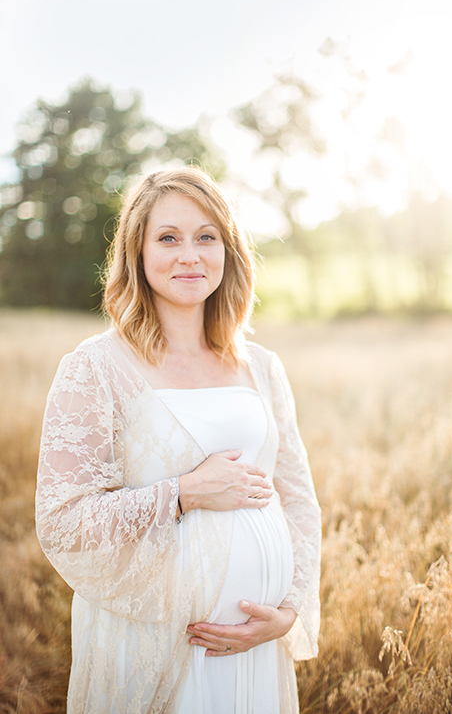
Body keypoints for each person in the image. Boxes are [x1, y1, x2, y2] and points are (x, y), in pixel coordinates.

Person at [36, 167, 322, 713]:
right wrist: (185, 493)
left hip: (256, 653)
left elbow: (300, 503)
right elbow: (62, 520)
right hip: (155, 644)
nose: (189, 255)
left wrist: (286, 613)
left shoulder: (262, 367)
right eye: (168, 238)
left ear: (227, 251)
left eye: (206, 237)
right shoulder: (95, 368)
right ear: (137, 255)